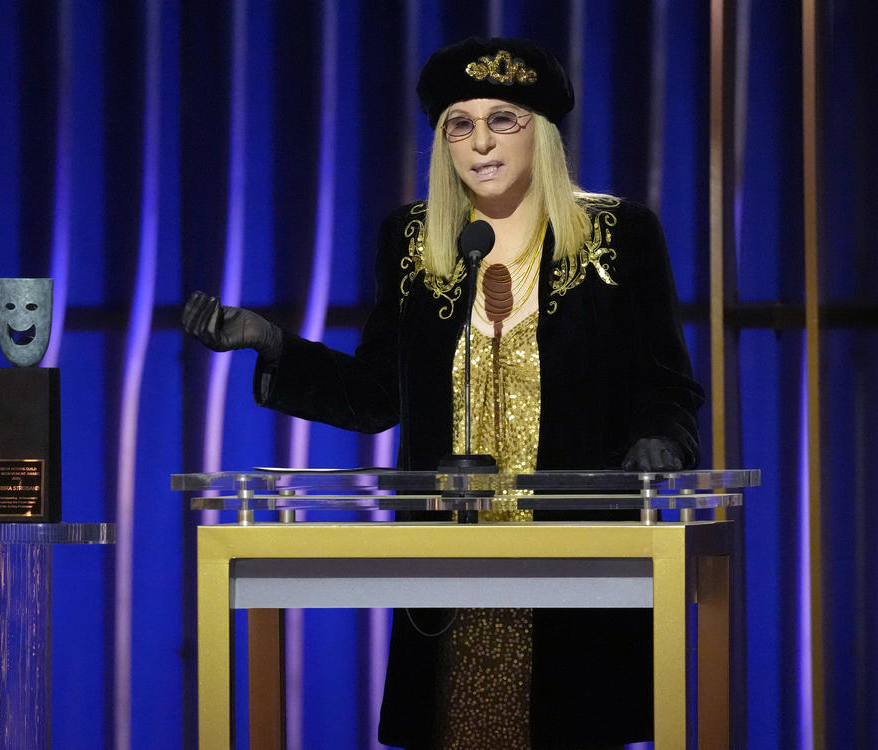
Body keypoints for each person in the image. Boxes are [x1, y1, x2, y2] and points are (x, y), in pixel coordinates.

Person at [183, 36, 704, 750]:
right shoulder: (414, 241)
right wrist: (273, 345)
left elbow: (666, 385)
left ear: (542, 132)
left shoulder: (617, 235)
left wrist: (662, 441)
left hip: (577, 568)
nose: (480, 142)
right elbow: (375, 396)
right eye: (459, 123)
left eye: (503, 119)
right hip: (453, 572)